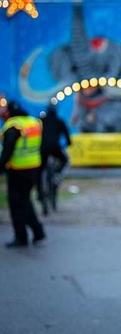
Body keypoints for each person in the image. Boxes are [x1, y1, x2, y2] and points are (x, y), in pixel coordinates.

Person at [0, 101, 47, 248]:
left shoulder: (14, 126)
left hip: (17, 169)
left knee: (16, 204)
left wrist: (1, 168)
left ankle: (21, 236)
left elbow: (7, 151)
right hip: (33, 167)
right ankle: (37, 231)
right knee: (26, 200)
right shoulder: (33, 122)